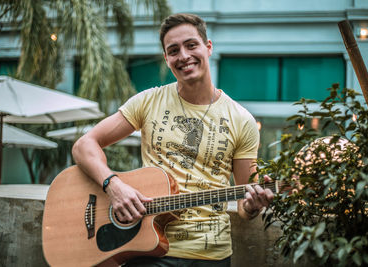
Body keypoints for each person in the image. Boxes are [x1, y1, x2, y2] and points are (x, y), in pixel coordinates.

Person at [72, 13, 274, 267]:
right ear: (167, 59)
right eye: (174, 50)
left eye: (191, 45)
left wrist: (253, 206)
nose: (184, 56)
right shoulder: (148, 101)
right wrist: (114, 186)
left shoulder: (241, 119)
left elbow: (245, 204)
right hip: (149, 248)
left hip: (211, 255)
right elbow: (84, 145)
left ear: (208, 47)